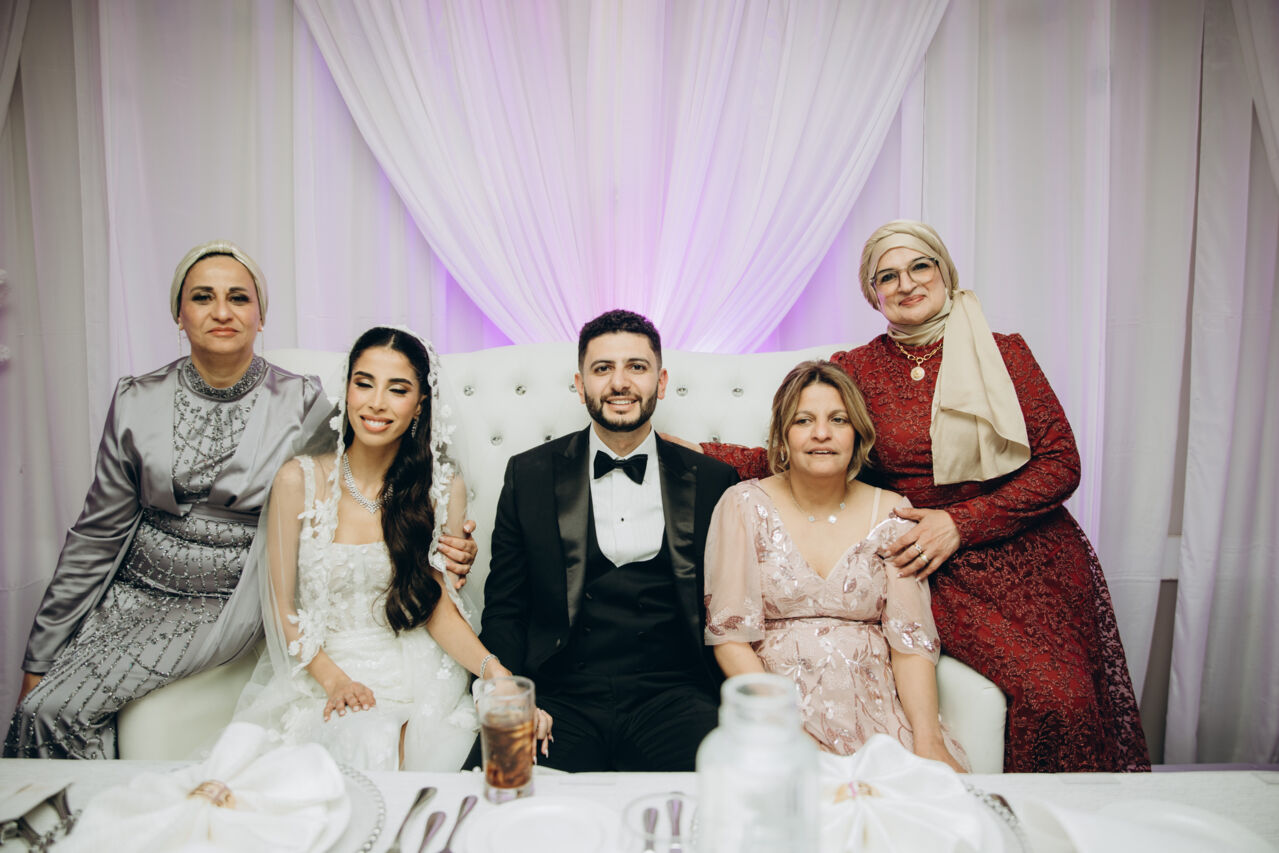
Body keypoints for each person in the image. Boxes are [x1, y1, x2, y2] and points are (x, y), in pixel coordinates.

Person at [702, 220, 1149, 772]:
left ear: (944, 271)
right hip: (938, 568)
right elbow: (809, 447)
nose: (907, 283)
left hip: (1030, 554)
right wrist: (687, 450)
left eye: (920, 266)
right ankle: (1011, 810)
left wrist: (961, 522)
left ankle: (1064, 816)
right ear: (873, 293)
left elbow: (1061, 461)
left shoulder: (1005, 353)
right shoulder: (857, 368)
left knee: (1073, 699)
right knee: (1046, 696)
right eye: (887, 276)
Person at [4, 241, 336, 758]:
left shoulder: (303, 402)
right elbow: (97, 535)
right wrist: (40, 655)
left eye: (238, 298)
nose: (222, 312)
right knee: (40, 707)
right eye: (203, 297)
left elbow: (361, 486)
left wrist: (448, 532)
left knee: (59, 708)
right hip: (133, 591)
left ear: (261, 316)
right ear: (179, 315)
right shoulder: (137, 398)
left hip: (230, 599)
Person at [232, 326, 550, 771]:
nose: (377, 403)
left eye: (397, 389)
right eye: (364, 383)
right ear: (347, 390)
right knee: (366, 743)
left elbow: (437, 609)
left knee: (469, 758)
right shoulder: (297, 481)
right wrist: (336, 682)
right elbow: (281, 607)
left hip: (421, 670)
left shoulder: (442, 488)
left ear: (420, 404)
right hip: (327, 670)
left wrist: (497, 674)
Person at [478, 310, 739, 772]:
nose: (620, 383)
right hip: (560, 697)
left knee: (735, 800)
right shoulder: (529, 474)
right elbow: (505, 607)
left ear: (661, 382)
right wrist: (512, 696)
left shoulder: (714, 480)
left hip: (675, 696)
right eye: (603, 369)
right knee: (495, 796)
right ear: (580, 385)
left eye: (636, 367)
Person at [705, 361, 968, 772]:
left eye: (838, 420)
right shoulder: (742, 505)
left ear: (857, 433)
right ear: (782, 436)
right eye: (803, 420)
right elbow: (730, 638)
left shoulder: (894, 513)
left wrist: (927, 738)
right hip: (775, 717)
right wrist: (780, 727)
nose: (821, 434)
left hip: (878, 717)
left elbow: (911, 644)